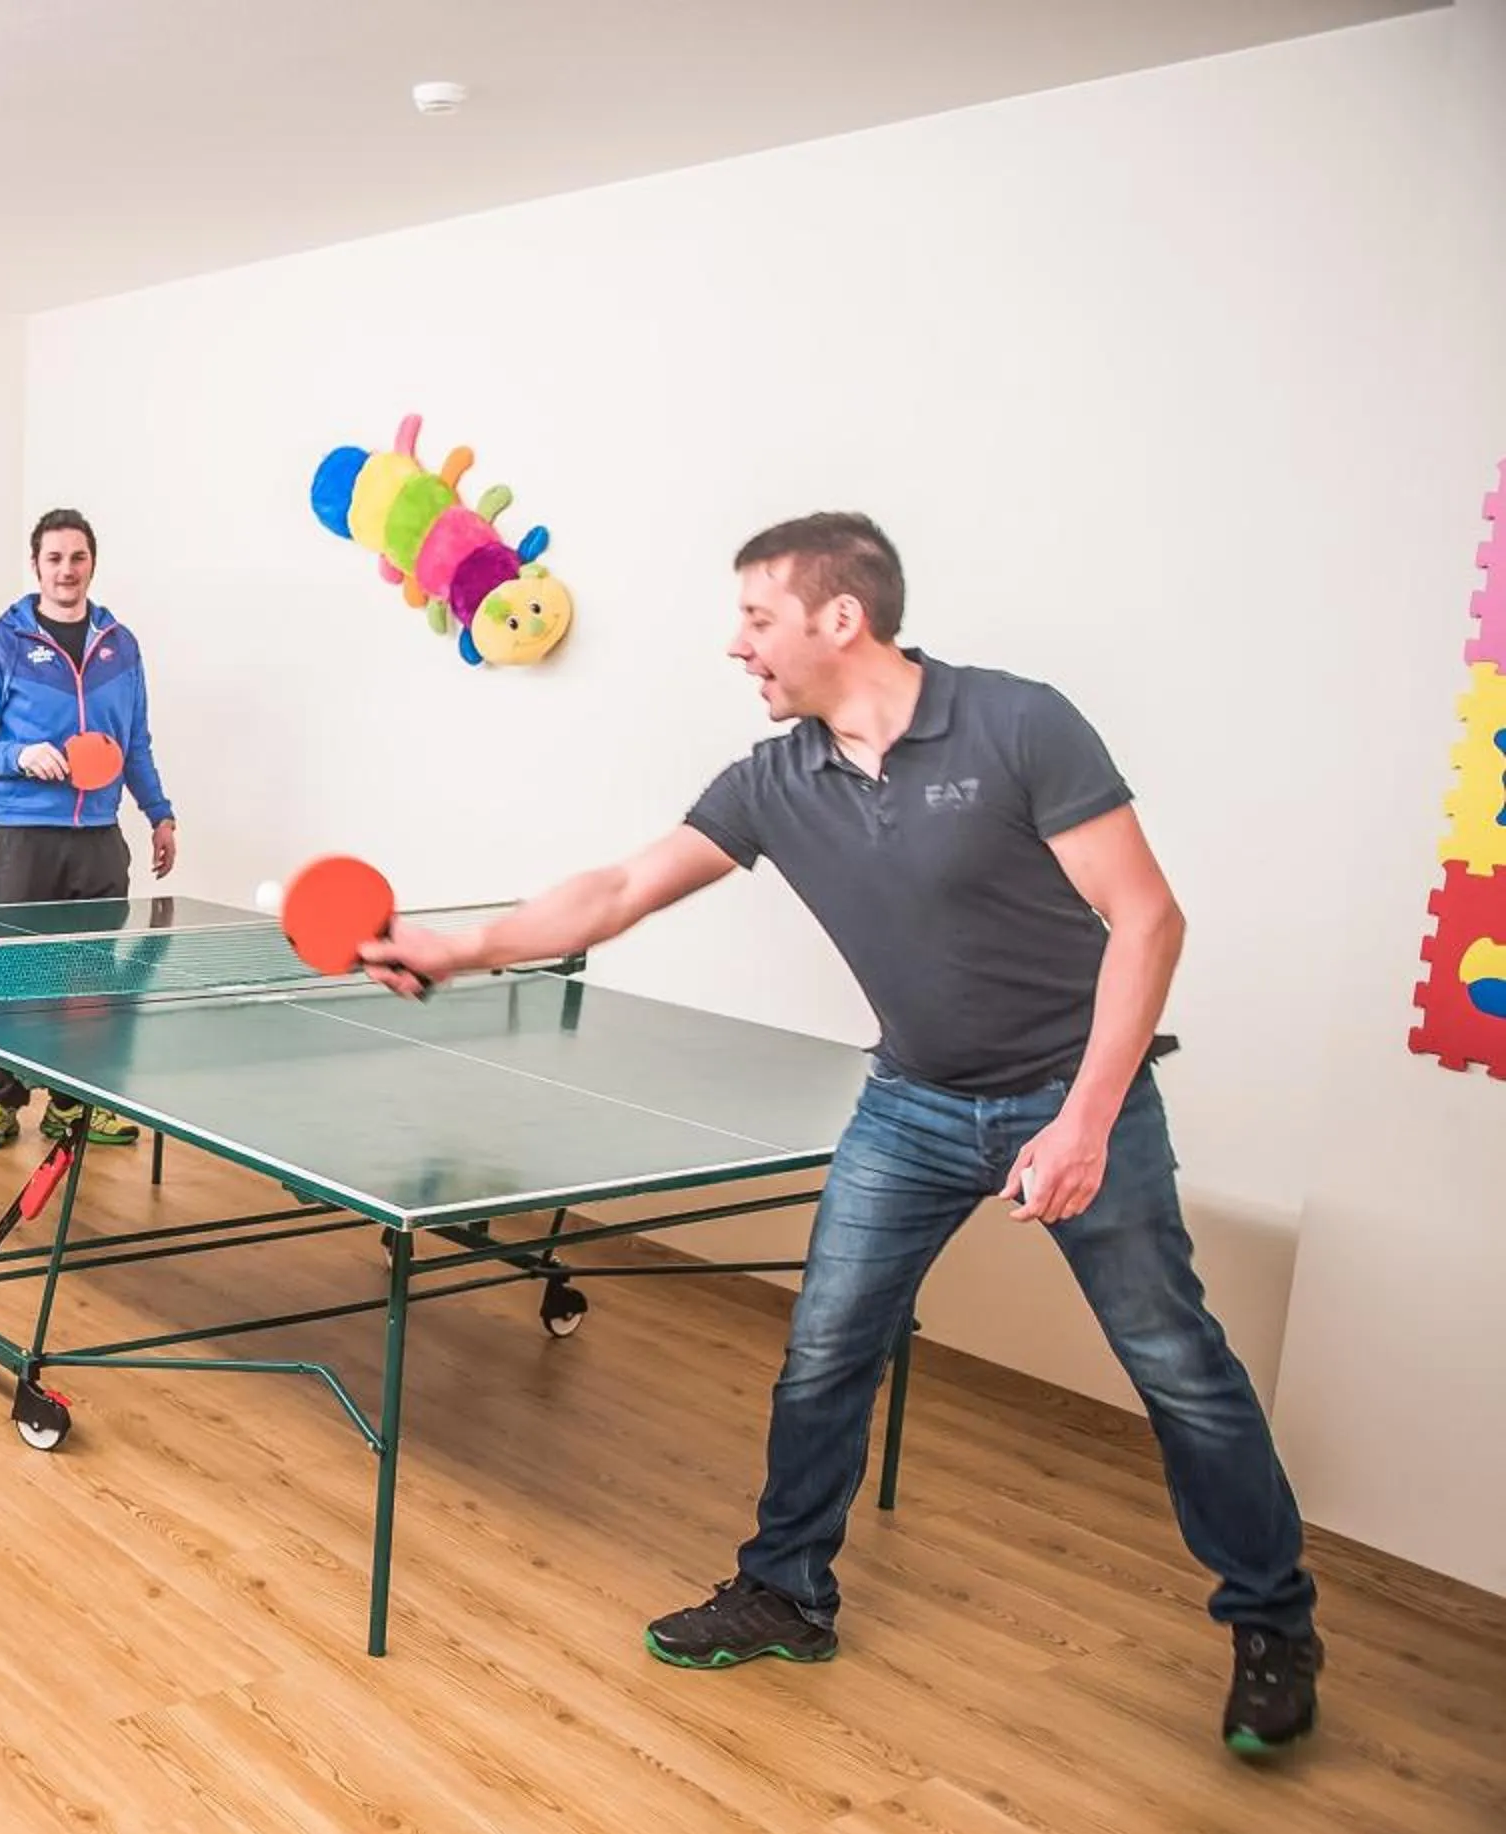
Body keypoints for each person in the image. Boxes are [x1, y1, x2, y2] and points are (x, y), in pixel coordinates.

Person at [362, 512, 1320, 1754]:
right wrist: (460, 944)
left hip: (1073, 1091)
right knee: (825, 1349)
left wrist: (1083, 1122)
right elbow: (616, 890)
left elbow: (1147, 922)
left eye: (756, 618)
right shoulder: (775, 780)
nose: (736, 646)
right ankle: (786, 1591)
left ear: (839, 617)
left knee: (1177, 1362)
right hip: (913, 1101)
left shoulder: (1018, 723)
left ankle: (1274, 1622)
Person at [0, 507, 177, 1149]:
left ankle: (80, 1103)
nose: (66, 570)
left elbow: (134, 744)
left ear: (92, 564)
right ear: (36, 565)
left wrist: (158, 813)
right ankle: (1, 1099)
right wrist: (19, 756)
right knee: (14, 972)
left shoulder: (120, 645)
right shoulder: (4, 643)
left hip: (99, 836)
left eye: (77, 558)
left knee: (92, 974)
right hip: (25, 833)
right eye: (54, 558)